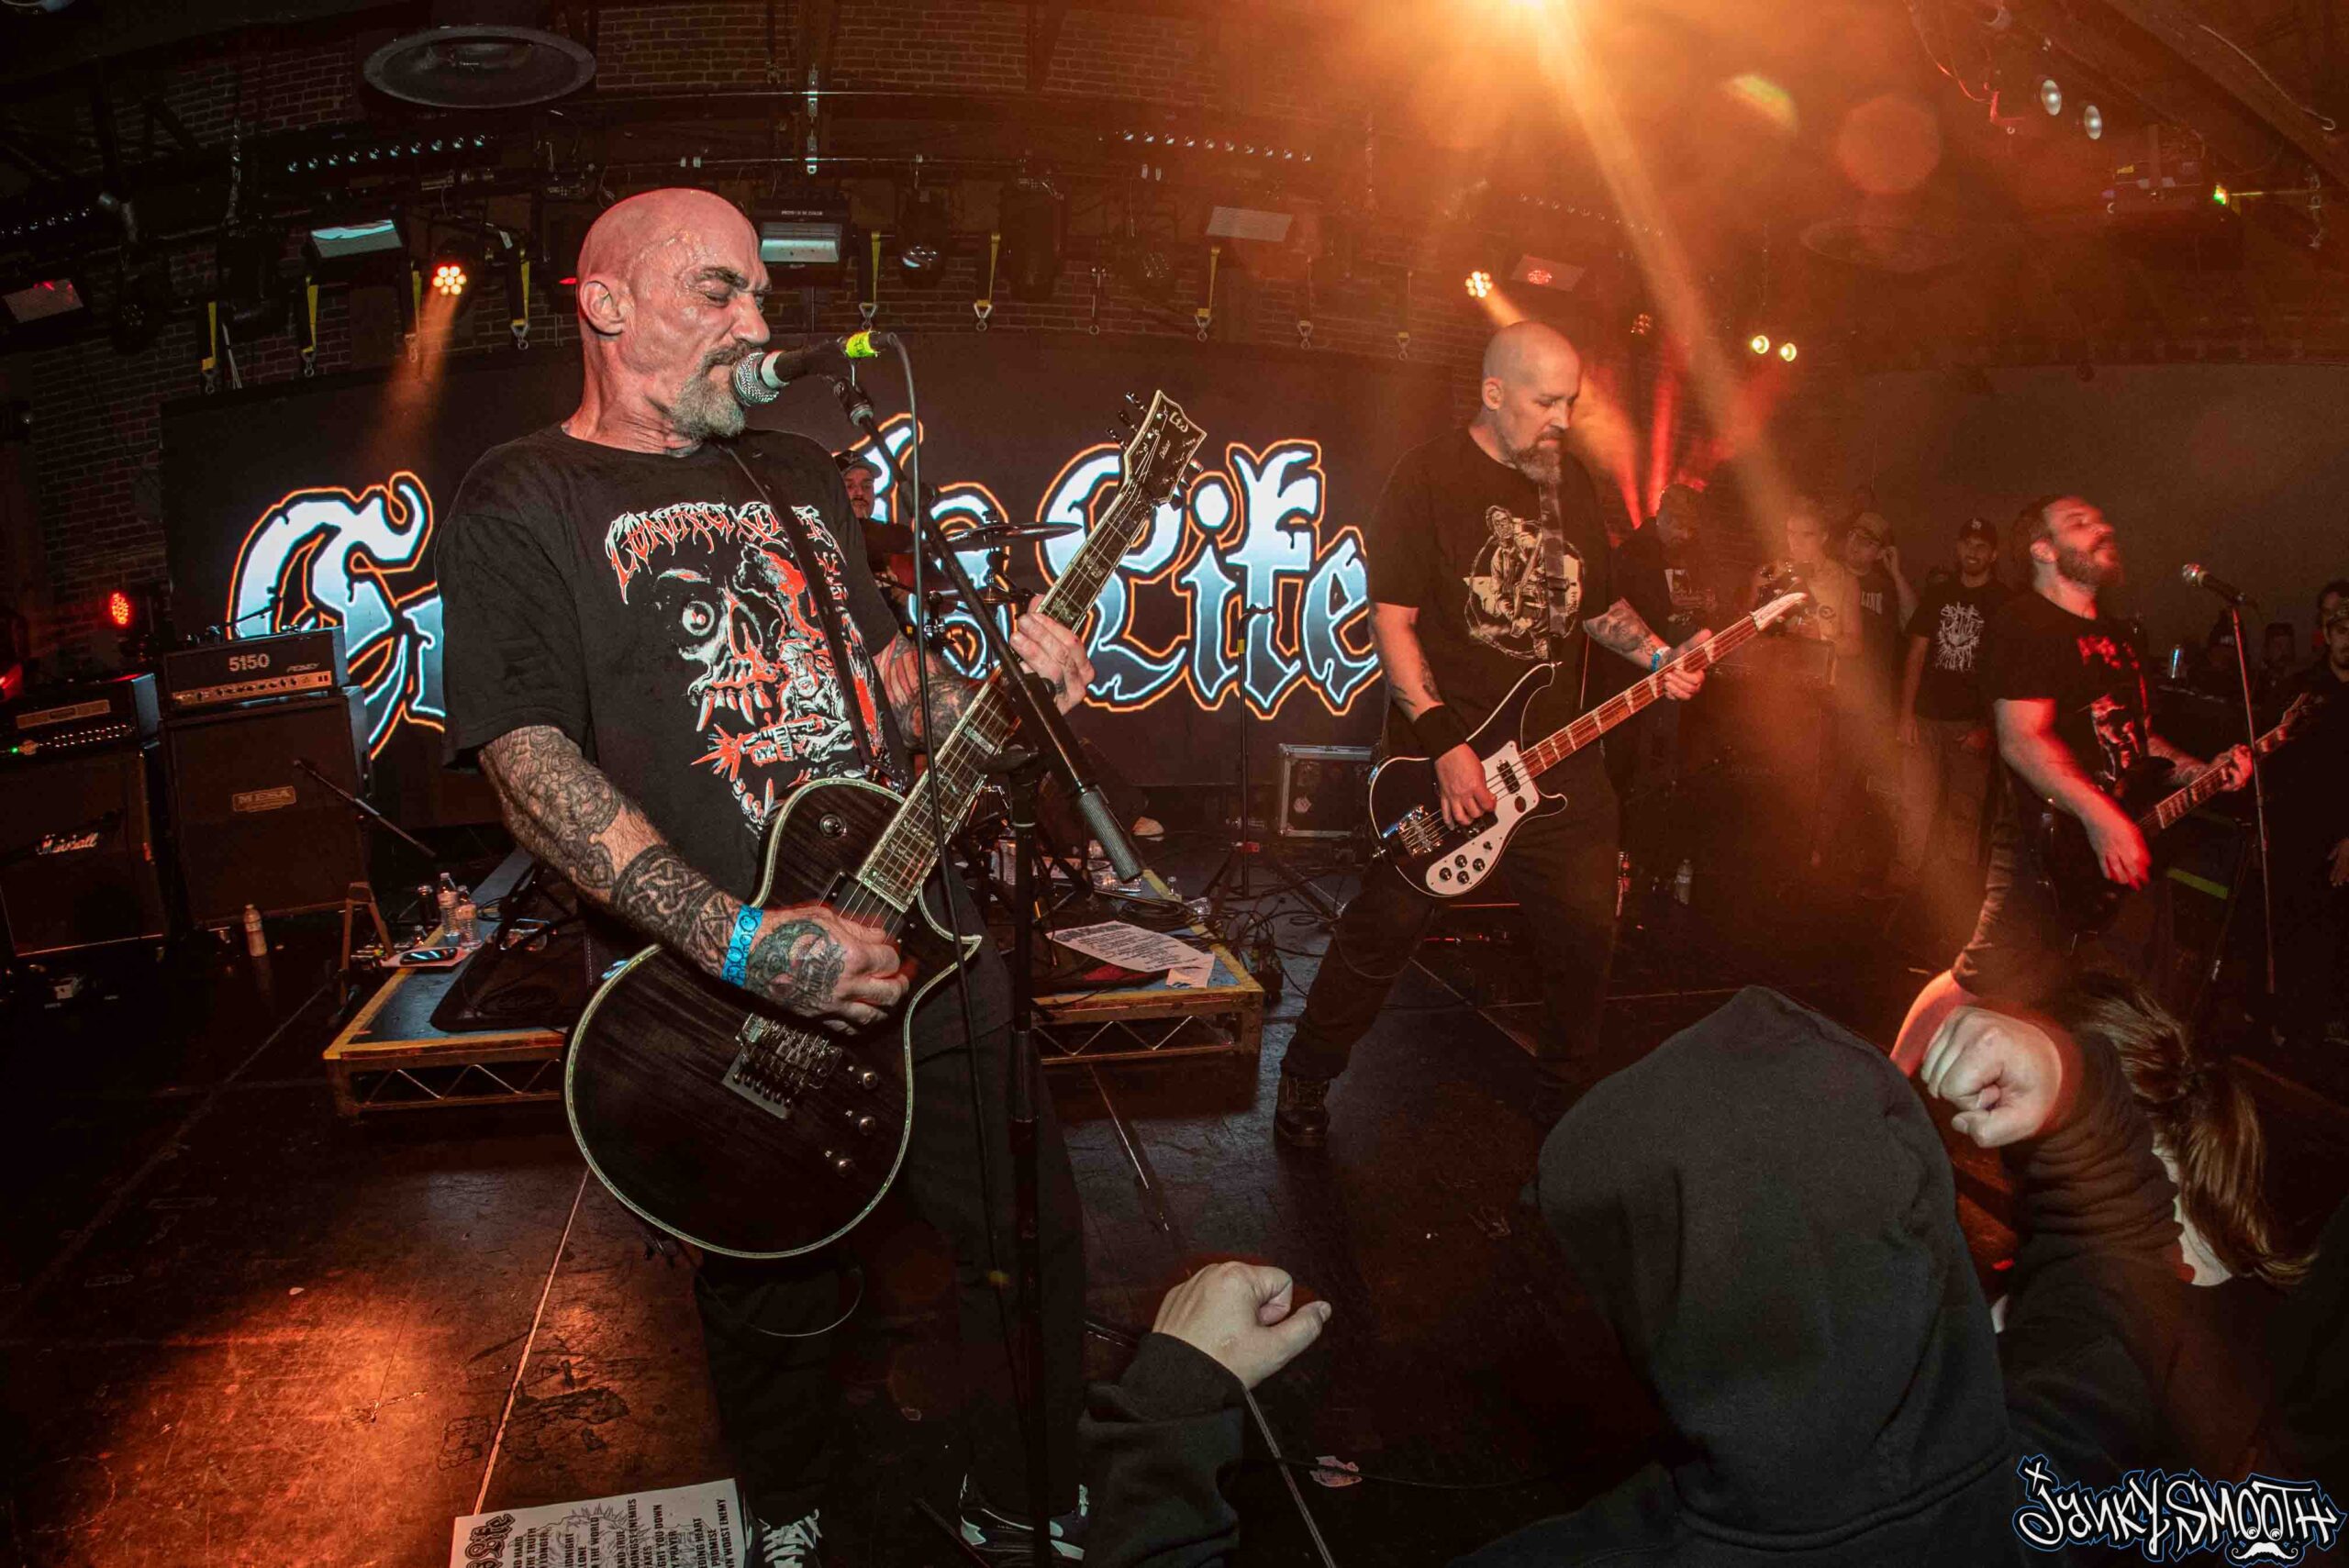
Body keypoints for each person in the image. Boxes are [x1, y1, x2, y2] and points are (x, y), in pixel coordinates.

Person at [434, 188, 1097, 1568]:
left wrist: (1005, 694)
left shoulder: (793, 471)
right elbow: (526, 757)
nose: (753, 324)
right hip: (713, 989)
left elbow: (888, 682)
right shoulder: (523, 493)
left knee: (1028, 1233)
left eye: (758, 296)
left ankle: (1019, 1490)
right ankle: (787, 1503)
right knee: (774, 1285)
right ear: (606, 304)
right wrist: (740, 940)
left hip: (921, 927)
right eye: (716, 291)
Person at [1270, 321, 1709, 1150]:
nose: (1563, 420)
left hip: (1559, 763)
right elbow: (1392, 623)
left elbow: (1596, 607)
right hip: (1446, 753)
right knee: (1384, 926)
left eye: (1572, 402)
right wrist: (1444, 744)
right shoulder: (1427, 479)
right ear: (1494, 392)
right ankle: (1308, 1069)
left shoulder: (1571, 485)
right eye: (1547, 402)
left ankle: (1565, 1107)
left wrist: (1660, 657)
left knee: (1585, 940)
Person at [1952, 495, 2251, 1008]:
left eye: (2100, 518)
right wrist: (2099, 815)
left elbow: (2140, 737)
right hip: (2048, 846)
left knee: (2123, 1003)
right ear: (2043, 549)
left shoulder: (2119, 636)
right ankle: (1912, 1054)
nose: (2102, 527)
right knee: (1985, 987)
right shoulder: (2024, 621)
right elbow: (2022, 738)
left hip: (2128, 844)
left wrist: (2201, 771)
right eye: (2079, 522)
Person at [1603, 482, 1717, 905]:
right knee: (1627, 768)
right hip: (1633, 681)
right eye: (1679, 522)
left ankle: (1652, 862)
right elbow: (1614, 614)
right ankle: (1618, 862)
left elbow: (1707, 606)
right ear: (1663, 513)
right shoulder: (1633, 554)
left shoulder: (1694, 558)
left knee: (1666, 771)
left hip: (1676, 681)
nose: (1685, 532)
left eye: (1691, 525)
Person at [1891, 517, 2009, 898]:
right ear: (1958, 548)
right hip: (1925, 718)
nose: (1972, 551)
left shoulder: (2003, 602)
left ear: (1993, 554)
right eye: (1967, 544)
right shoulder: (1939, 594)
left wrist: (1988, 727)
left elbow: (2007, 672)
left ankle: (1954, 894)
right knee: (1914, 801)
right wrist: (1906, 714)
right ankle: (1903, 877)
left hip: (1970, 724)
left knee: (1964, 809)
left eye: (1981, 546)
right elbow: (1916, 653)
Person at [2269, 580, 2349, 1047]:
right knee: (2294, 928)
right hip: (2297, 834)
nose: (2347, 639)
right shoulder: (2301, 690)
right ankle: (2287, 1023)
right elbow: (2276, 762)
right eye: (2340, 629)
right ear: (2326, 632)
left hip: (2342, 840)